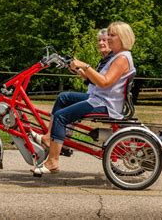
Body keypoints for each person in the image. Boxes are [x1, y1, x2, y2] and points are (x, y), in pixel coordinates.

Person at [31, 21, 136, 174]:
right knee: (63, 98)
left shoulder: (122, 58)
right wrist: (80, 69)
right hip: (100, 99)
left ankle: (53, 161)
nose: (108, 39)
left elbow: (105, 82)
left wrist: (85, 65)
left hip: (104, 104)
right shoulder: (118, 56)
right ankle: (48, 138)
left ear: (122, 38)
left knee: (60, 117)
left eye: (112, 35)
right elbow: (99, 79)